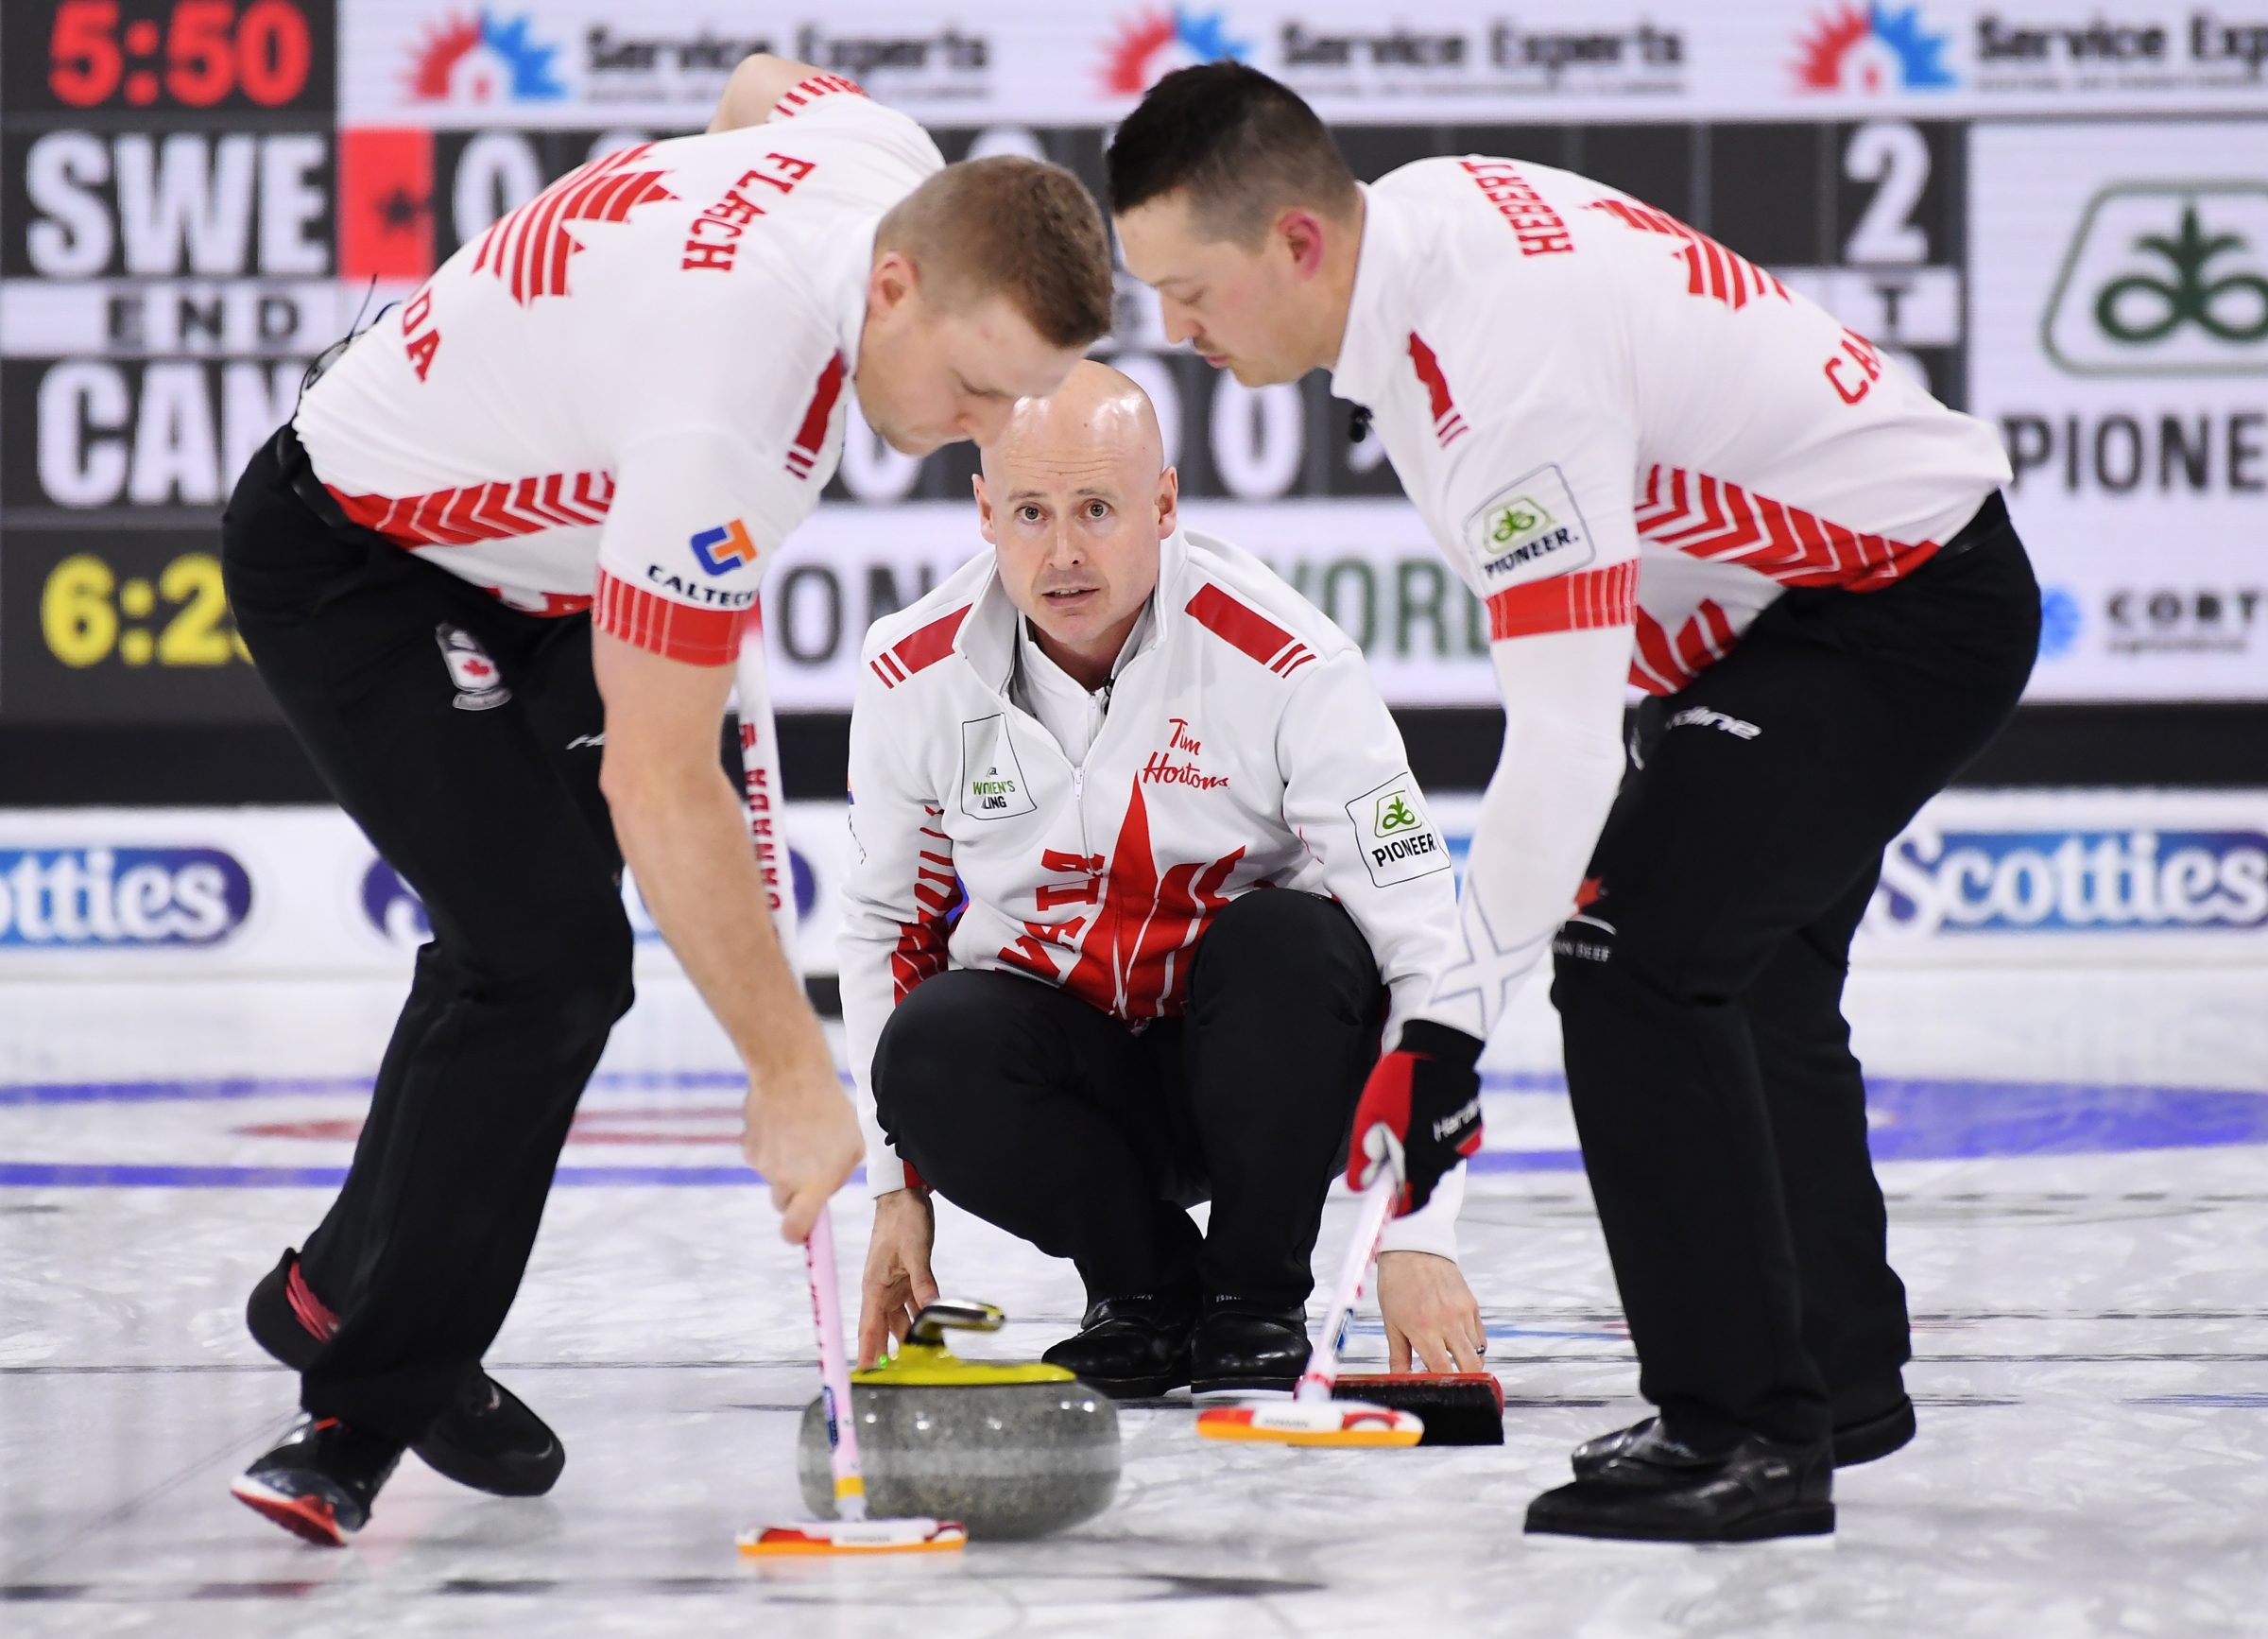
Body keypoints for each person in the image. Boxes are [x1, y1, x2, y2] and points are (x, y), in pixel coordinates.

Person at [1105, 64, 2039, 1542]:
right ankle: (1834, 1380)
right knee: (1748, 977)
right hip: (1802, 615)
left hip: (1888, 609)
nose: (1177, 332)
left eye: (1189, 289)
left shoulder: (1493, 363)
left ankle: (1744, 1433)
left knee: (1633, 958)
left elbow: (1560, 742)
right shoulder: (1417, 241)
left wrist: (1447, 1030)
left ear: (1295, 242)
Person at [217, 53, 1113, 1546]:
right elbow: (660, 780)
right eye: (969, 385)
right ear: (892, 285)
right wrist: (790, 1074)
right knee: (549, 957)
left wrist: (631, 407)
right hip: (360, 557)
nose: (978, 426)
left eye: (1014, 397)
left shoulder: (883, 154)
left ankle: (340, 1290)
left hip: (554, 553)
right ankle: (355, 1407)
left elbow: (765, 84)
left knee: (523, 952)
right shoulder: (730, 424)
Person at [838, 360, 1486, 1398]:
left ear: (1166, 504)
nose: (1063, 553)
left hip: (1272, 1077)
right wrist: (894, 1191)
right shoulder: (907, 672)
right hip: (1082, 1085)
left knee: (1291, 941)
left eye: (1098, 509)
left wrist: (1416, 1228)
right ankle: (1147, 1295)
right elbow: (886, 935)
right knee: (928, 1050)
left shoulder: (1291, 660)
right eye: (1031, 513)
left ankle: (1257, 1302)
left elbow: (1424, 942)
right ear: (983, 512)